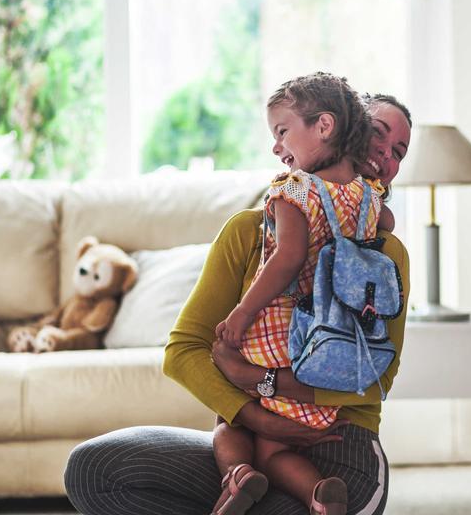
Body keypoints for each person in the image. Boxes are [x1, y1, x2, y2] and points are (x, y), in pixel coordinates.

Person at [64, 92, 413, 515]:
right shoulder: (250, 230)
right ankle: (239, 481)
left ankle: (293, 493)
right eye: (377, 133)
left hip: (342, 449)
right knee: (92, 468)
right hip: (252, 440)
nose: (384, 153)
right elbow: (183, 351)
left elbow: (373, 379)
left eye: (398, 151)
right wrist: (254, 415)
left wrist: (254, 376)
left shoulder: (384, 253)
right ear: (341, 130)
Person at [210, 73, 384, 515]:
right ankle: (319, 493)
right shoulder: (366, 196)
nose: (276, 146)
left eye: (282, 131)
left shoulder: (295, 191)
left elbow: (286, 259)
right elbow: (387, 229)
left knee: (233, 421)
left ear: (323, 126)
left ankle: (239, 476)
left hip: (277, 337)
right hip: (331, 344)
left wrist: (241, 314)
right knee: (274, 444)